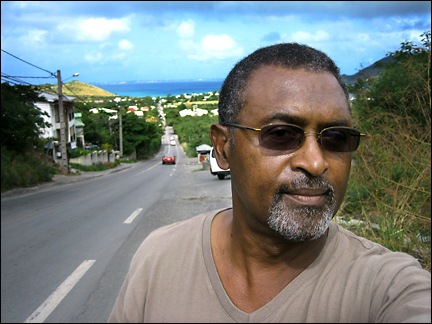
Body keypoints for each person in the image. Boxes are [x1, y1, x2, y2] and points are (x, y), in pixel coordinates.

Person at [108, 43, 431, 323]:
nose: (316, 162)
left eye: (336, 138)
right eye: (281, 135)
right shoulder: (160, 256)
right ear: (223, 148)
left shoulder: (388, 287)